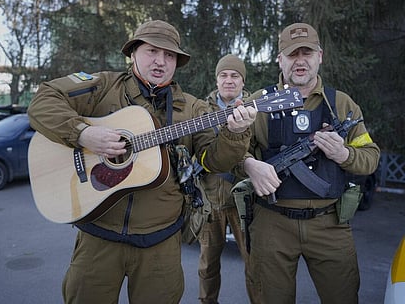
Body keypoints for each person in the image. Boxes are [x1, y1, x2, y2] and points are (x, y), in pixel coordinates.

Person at [27, 20, 257, 304]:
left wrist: (236, 133)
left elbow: (214, 161)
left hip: (160, 243)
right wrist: (83, 133)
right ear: (133, 52)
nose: (160, 61)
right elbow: (44, 98)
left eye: (169, 55)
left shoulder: (194, 108)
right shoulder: (102, 86)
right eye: (152, 51)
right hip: (98, 239)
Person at [233, 23, 381, 304]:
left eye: (307, 52)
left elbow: (371, 158)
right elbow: (228, 156)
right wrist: (250, 165)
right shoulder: (258, 104)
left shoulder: (341, 104)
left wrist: (344, 154)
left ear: (320, 56)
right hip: (272, 224)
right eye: (292, 54)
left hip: (330, 224)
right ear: (280, 59)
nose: (300, 60)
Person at [197, 54, 257, 304]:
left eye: (235, 76)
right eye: (224, 75)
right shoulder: (200, 109)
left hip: (246, 201)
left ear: (243, 81)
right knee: (207, 267)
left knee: (255, 265)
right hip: (211, 199)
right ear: (217, 79)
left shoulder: (257, 108)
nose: (229, 80)